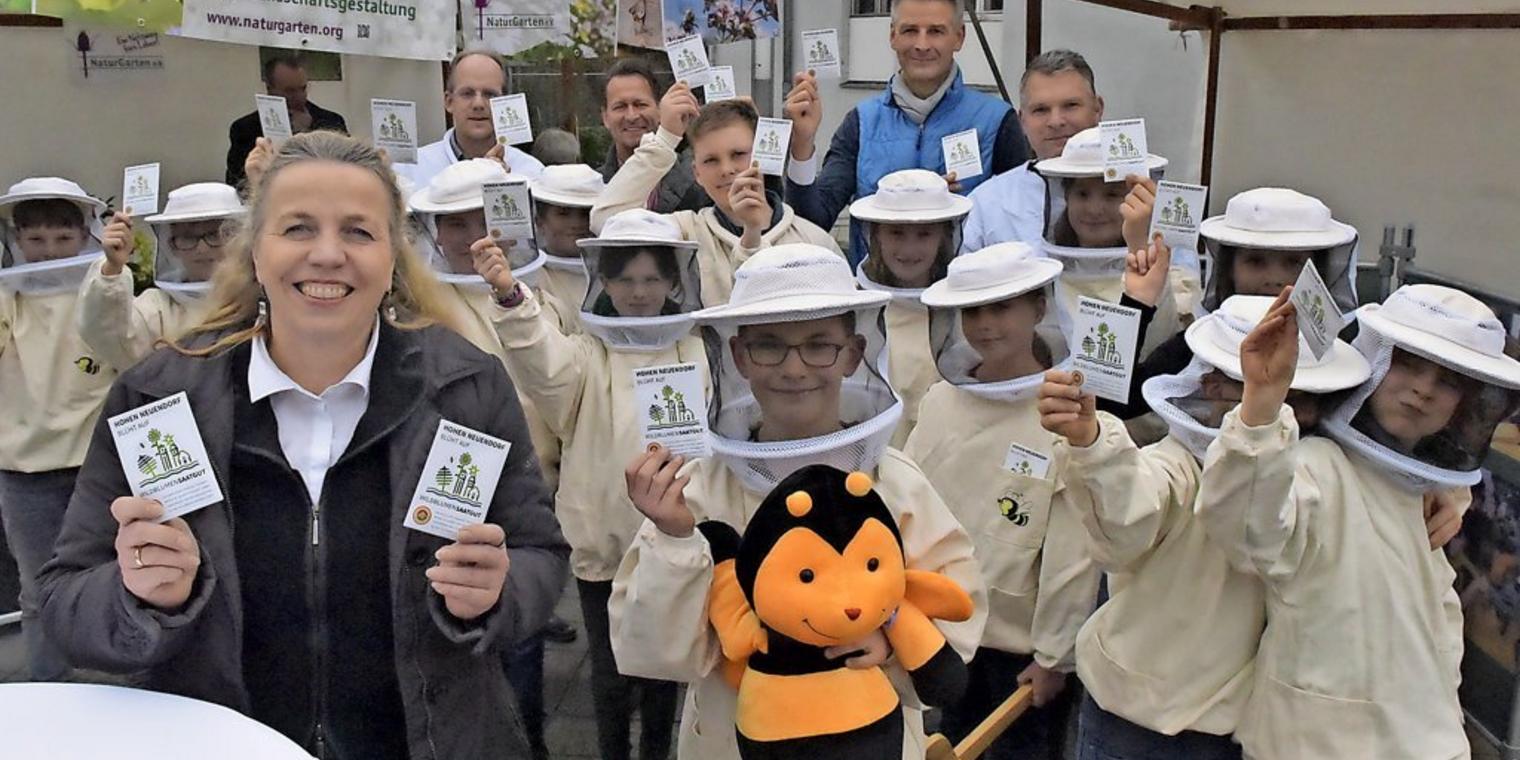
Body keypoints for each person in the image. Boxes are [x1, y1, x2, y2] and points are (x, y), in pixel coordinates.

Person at [36, 132, 570, 758]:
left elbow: (538, 552)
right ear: (254, 251)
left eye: (358, 232)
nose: (326, 254)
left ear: (393, 257)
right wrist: (136, 596)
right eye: (296, 229)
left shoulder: (465, 388)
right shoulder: (158, 400)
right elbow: (65, 597)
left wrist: (498, 594)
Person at [610, 244, 987, 759]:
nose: (794, 369)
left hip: (873, 734)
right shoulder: (697, 492)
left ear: (853, 353)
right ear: (739, 357)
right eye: (769, 346)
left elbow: (957, 604)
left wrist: (893, 650)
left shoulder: (896, 483)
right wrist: (674, 540)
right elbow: (654, 653)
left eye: (818, 345)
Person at [1038, 290, 1372, 760]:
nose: (1271, 401)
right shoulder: (1178, 464)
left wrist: (1446, 491)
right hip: (1138, 724)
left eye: (1291, 393)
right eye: (1254, 383)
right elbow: (1126, 518)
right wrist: (1090, 445)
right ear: (1211, 384)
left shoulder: (1329, 474)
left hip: (1246, 729)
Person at [1193, 284, 1519, 759]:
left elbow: (1437, 643)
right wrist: (1260, 407)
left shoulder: (1424, 492)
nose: (1424, 389)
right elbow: (1245, 530)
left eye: (1448, 381)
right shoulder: (1316, 466)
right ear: (1373, 360)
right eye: (1408, 364)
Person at [473, 208, 704, 760]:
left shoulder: (695, 350)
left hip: (672, 538)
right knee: (609, 667)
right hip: (601, 538)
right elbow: (542, 365)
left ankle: (655, 751)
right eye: (626, 279)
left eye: (652, 279)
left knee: (666, 662)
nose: (640, 292)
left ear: (675, 282)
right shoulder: (588, 351)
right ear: (605, 281)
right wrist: (510, 298)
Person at [407, 157, 580, 758]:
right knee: (448, 641)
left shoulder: (541, 299)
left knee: (520, 634)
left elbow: (557, 389)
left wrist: (510, 296)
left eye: (486, 217)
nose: (474, 234)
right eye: (456, 223)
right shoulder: (414, 306)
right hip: (439, 499)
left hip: (527, 491)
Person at [906, 242, 1098, 759]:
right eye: (973, 311)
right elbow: (909, 503)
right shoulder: (941, 400)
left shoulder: (1065, 414)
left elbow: (1072, 554)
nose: (986, 324)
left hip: (1018, 658)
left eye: (1002, 307)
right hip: (939, 633)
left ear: (1039, 308)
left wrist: (1055, 656)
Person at [783, 0, 1030, 265]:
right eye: (910, 30)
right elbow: (812, 222)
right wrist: (802, 144)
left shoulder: (996, 120)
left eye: (936, 31)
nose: (922, 45)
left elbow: (1020, 226)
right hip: (878, 299)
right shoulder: (861, 122)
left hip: (965, 297)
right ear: (892, 36)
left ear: (959, 37)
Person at [1102, 187, 1359, 420]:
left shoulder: (1341, 353)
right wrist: (1137, 302)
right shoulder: (1199, 342)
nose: (1274, 279)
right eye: (1255, 261)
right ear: (1229, 270)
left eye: (1293, 262)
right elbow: (1111, 403)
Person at [0, 177, 115, 681]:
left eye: (62, 239)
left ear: (84, 234)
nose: (49, 251)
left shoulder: (105, 291)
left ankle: (124, 689)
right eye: (36, 239)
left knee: (115, 581)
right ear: (16, 239)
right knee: (37, 589)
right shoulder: (8, 300)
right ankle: (49, 697)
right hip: (25, 472)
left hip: (99, 468)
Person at [591, 96, 840, 307]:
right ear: (696, 173)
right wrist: (665, 140)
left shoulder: (813, 240)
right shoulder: (685, 233)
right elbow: (606, 221)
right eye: (711, 160)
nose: (727, 169)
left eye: (738, 155)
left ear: (763, 155)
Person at [1033, 128, 1191, 360]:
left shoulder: (1177, 277)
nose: (1094, 209)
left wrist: (1139, 246)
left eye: (1112, 195)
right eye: (1082, 194)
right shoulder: (1043, 276)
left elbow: (1153, 349)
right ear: (1066, 198)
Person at [849, 168, 971, 447]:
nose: (909, 248)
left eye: (924, 234)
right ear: (876, 235)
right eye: (896, 233)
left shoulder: (968, 312)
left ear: (944, 237)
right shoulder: (857, 311)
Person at [78, 183, 245, 371]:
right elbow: (108, 338)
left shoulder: (257, 296)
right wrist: (112, 269)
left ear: (239, 238)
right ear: (172, 246)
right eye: (188, 238)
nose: (202, 248)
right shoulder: (156, 307)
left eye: (215, 235)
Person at [962, 49, 1103, 252]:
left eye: (1070, 105)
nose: (1056, 121)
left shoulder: (1138, 193)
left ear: (1097, 109)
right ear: (1022, 120)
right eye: (1041, 110)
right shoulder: (987, 203)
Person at [394, 47, 546, 188]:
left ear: (504, 102)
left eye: (489, 94)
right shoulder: (410, 171)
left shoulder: (532, 173)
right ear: (449, 102)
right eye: (467, 93)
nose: (478, 104)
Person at [598, 57, 711, 214]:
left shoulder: (701, 183)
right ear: (605, 117)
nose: (631, 116)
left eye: (640, 104)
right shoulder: (593, 187)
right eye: (620, 106)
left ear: (660, 110)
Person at [226, 54, 347, 189]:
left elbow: (347, 169)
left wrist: (307, 132)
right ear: (270, 89)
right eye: (290, 91)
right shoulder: (246, 128)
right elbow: (236, 182)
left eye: (303, 89)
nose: (299, 96)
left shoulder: (331, 121)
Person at [530, 163, 605, 334]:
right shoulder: (529, 279)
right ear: (540, 221)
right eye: (563, 213)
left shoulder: (617, 271)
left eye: (585, 213)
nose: (576, 224)